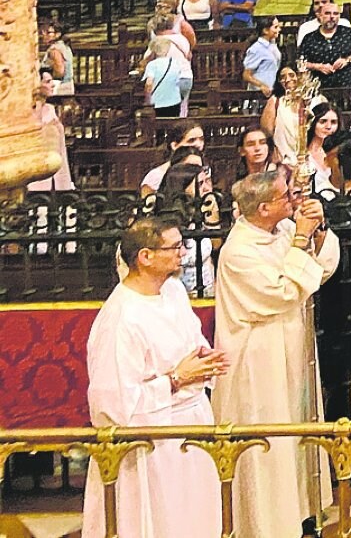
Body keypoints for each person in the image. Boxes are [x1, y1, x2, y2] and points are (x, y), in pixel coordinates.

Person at [211, 170, 340, 538]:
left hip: (291, 351)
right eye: (286, 197)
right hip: (260, 363)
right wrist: (300, 237)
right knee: (270, 446)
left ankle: (301, 513)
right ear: (264, 207)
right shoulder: (238, 251)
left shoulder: (279, 231)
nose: (293, 201)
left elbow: (319, 270)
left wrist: (317, 230)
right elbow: (282, 292)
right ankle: (267, 525)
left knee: (297, 436)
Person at [83, 216, 228, 538]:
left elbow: (191, 340)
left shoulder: (173, 291)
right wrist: (175, 379)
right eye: (175, 246)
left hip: (192, 424)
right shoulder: (121, 318)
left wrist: (204, 359)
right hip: (151, 445)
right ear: (145, 257)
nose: (184, 253)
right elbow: (113, 405)